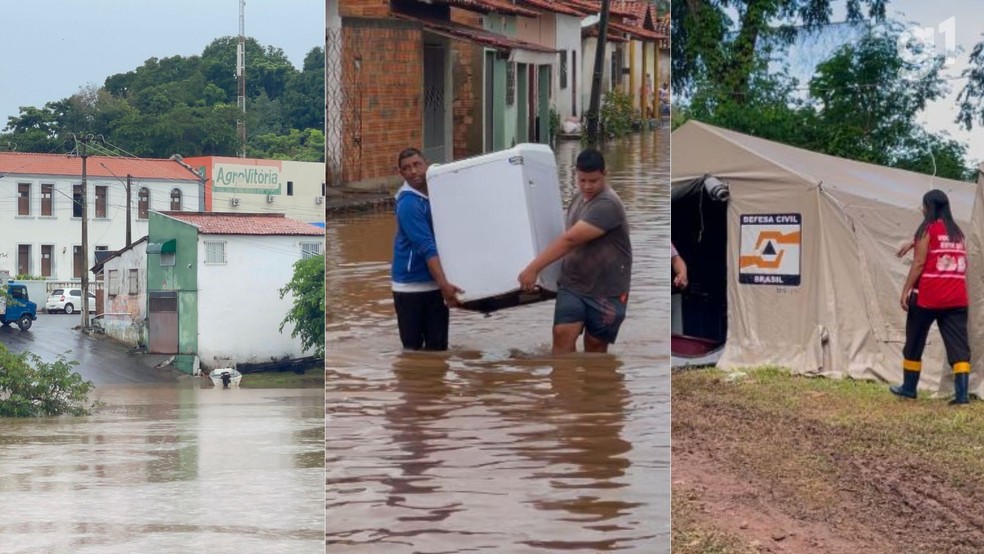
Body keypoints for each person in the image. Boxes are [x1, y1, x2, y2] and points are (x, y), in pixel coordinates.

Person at [518, 149, 632, 354]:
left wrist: (533, 268)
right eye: (582, 180)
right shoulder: (579, 197)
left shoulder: (607, 204)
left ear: (605, 174)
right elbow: (561, 234)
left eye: (593, 181)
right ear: (576, 175)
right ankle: (563, 386)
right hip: (573, 285)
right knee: (562, 334)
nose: (587, 186)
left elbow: (569, 240)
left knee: (595, 348)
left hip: (608, 290)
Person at [891, 189, 971, 405]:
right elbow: (939, 246)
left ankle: (909, 388)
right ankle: (962, 395)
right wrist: (912, 242)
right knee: (958, 345)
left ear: (929, 207)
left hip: (928, 296)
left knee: (914, 341)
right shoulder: (958, 232)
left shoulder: (927, 228)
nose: (923, 209)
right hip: (956, 298)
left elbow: (919, 263)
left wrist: (906, 289)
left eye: (924, 205)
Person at [390, 147, 462, 351]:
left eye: (417, 165)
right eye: (407, 168)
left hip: (435, 284)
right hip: (411, 288)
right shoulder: (409, 205)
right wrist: (445, 286)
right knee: (412, 350)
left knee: (438, 350)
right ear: (401, 173)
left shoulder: (436, 194)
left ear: (426, 165)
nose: (413, 171)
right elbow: (426, 246)